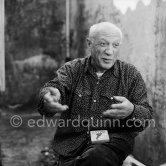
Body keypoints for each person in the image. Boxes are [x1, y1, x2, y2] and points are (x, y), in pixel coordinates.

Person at [38, 22, 153, 166]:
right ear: (89, 44)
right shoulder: (72, 70)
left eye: (115, 45)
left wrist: (132, 111)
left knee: (97, 156)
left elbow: (147, 116)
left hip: (111, 143)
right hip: (72, 145)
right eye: (103, 44)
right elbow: (55, 88)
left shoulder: (130, 75)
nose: (110, 51)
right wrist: (48, 99)